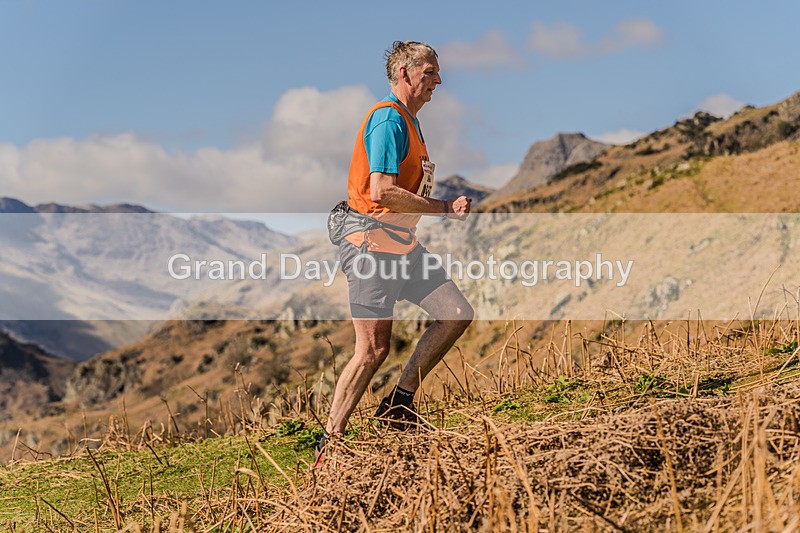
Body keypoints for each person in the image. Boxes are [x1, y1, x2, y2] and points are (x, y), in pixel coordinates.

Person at [316, 41, 474, 465]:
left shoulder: (410, 122)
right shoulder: (388, 119)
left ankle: (398, 406)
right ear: (405, 73)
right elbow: (382, 191)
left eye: (437, 72)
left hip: (402, 245)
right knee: (372, 350)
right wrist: (443, 208)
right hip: (370, 246)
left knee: (456, 314)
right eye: (430, 72)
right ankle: (329, 445)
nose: (439, 80)